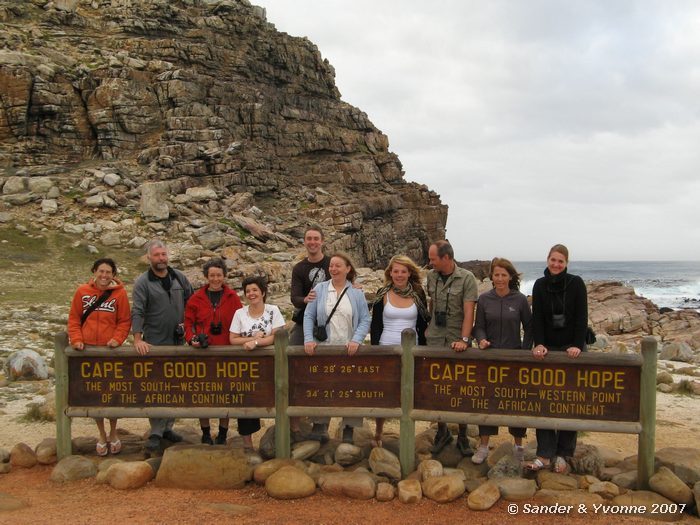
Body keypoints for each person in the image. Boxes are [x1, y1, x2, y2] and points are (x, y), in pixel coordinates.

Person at [526, 244, 588, 473]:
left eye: (560, 261)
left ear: (566, 263)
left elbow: (582, 317)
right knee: (543, 400)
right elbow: (538, 318)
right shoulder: (540, 285)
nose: (556, 264)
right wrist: (539, 344)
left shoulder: (576, 283)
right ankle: (545, 453)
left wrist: (576, 346)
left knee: (570, 401)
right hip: (548, 348)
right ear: (547, 260)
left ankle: (563, 453)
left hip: (572, 348)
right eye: (553, 260)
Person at [132, 239, 194, 454]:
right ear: (149, 257)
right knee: (156, 385)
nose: (161, 259)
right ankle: (156, 431)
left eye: (164, 255)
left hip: (178, 341)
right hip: (155, 341)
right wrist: (138, 339)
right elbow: (138, 310)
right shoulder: (143, 282)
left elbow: (192, 303)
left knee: (175, 385)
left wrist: (189, 326)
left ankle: (168, 427)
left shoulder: (178, 277)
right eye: (157, 255)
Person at [304, 252, 371, 443]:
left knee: (350, 388)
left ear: (348, 269)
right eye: (331, 266)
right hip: (324, 349)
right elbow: (309, 316)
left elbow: (365, 319)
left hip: (349, 350)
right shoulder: (320, 288)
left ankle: (348, 428)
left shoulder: (356, 292)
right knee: (323, 386)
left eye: (338, 266)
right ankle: (320, 425)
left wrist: (357, 340)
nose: (333, 269)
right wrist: (309, 339)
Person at [471, 257, 533, 464]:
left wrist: (524, 352)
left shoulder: (520, 300)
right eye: (496, 275)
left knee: (516, 402)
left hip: (514, 359)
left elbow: (529, 328)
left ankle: (518, 446)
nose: (499, 279)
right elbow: (478, 326)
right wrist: (481, 340)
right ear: (491, 276)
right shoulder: (485, 299)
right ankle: (483, 446)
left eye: (503, 275)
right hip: (489, 358)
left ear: (510, 277)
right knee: (486, 401)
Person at [67, 258, 131, 456]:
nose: (104, 276)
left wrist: (117, 339)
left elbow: (124, 320)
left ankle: (113, 433)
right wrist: (77, 339)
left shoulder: (119, 294)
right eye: (101, 271)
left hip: (109, 352)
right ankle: (101, 434)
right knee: (95, 394)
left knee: (111, 394)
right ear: (94, 271)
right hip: (88, 353)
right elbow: (74, 318)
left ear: (113, 274)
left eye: (108, 272)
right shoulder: (82, 292)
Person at [370, 255, 429, 447]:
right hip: (387, 349)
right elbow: (376, 325)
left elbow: (423, 324)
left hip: (412, 351)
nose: (399, 275)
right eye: (395, 271)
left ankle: (407, 435)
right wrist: (375, 351)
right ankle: (378, 433)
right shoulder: (382, 293)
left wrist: (424, 350)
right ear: (390, 273)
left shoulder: (418, 293)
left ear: (410, 272)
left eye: (403, 271)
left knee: (408, 393)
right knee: (384, 393)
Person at [425, 240, 478, 456]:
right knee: (438, 388)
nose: (430, 263)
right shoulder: (431, 277)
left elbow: (469, 313)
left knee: (460, 389)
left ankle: (463, 435)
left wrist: (465, 339)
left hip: (457, 341)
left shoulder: (467, 278)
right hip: (436, 339)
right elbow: (431, 304)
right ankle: (442, 431)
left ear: (446, 258)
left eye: (433, 259)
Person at [184, 258, 243, 445]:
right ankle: (206, 433)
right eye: (212, 275)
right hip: (203, 352)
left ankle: (223, 433)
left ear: (224, 276)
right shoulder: (196, 298)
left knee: (225, 394)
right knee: (204, 394)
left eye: (219, 275)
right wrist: (191, 339)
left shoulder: (232, 297)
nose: (216, 279)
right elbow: (188, 323)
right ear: (206, 277)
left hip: (227, 352)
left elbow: (241, 321)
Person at [229, 276, 285, 452]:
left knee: (277, 397)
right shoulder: (240, 313)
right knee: (246, 399)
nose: (251, 294)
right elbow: (233, 339)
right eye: (247, 291)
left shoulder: (273, 310)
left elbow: (277, 336)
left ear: (263, 292)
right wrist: (254, 337)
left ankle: (283, 439)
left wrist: (255, 343)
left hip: (271, 364)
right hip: (247, 366)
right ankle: (247, 443)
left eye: (254, 290)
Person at [290, 225, 330, 346]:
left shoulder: (332, 263)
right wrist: (306, 300)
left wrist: (355, 286)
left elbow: (346, 281)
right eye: (309, 239)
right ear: (304, 242)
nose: (313, 242)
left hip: (331, 315)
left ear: (322, 241)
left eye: (316, 239)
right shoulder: (299, 268)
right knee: (292, 351)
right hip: (306, 317)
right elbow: (295, 298)